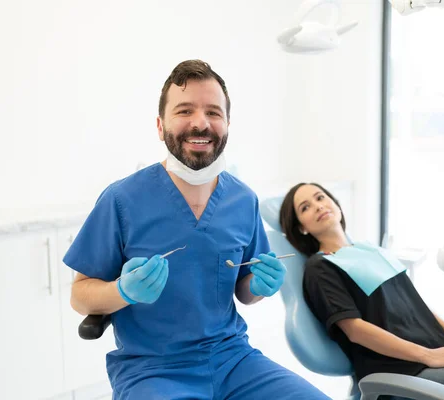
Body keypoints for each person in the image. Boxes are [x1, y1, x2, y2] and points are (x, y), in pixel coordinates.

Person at [63, 60, 329, 400]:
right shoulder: (121, 199)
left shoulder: (243, 199)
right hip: (152, 370)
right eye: (184, 111)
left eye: (213, 113)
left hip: (234, 361)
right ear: (160, 126)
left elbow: (245, 292)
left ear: (227, 125)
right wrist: (123, 291)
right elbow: (79, 294)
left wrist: (262, 285)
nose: (201, 123)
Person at [279, 182, 444, 399]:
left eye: (320, 197)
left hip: (442, 345)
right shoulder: (321, 266)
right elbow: (355, 329)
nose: (317, 206)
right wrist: (428, 355)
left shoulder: (368, 250)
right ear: (301, 227)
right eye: (305, 207)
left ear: (335, 204)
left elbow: (410, 300)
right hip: (406, 369)